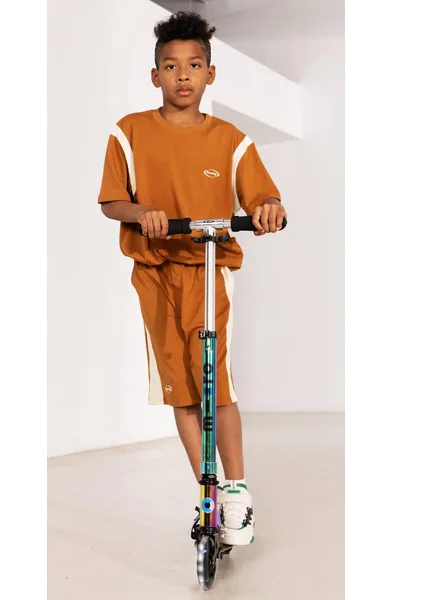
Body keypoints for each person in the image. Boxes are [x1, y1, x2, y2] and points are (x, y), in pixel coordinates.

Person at [97, 11, 287, 546]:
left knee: (214, 380)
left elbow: (263, 196)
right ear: (155, 74)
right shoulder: (129, 132)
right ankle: (209, 491)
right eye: (171, 65)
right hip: (154, 270)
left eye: (194, 65)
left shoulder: (232, 139)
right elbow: (112, 201)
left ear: (210, 74)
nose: (183, 75)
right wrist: (142, 212)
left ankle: (237, 493)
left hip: (208, 268)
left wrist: (269, 208)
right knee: (181, 387)